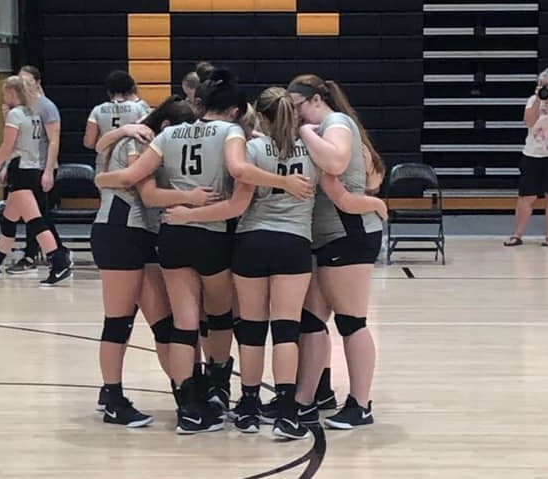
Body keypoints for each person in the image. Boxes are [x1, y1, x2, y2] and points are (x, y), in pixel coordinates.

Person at [94, 69, 313, 434]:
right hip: (213, 233)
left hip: (174, 232)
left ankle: (188, 411)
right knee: (221, 317)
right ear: (233, 109)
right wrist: (283, 181)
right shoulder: (231, 132)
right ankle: (217, 389)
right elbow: (239, 169)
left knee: (184, 323)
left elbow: (136, 179)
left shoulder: (169, 133)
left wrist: (101, 179)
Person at [164, 86, 387, 439]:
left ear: (261, 118)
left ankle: (249, 407)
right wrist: (375, 204)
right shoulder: (313, 152)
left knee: (251, 331)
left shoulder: (251, 149)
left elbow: (236, 205)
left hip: (251, 243)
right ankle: (287, 412)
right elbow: (343, 195)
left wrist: (188, 215)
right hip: (296, 245)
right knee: (286, 331)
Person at [92, 95, 206, 427]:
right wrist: (189, 197)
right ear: (167, 126)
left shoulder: (149, 139)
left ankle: (187, 396)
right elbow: (138, 186)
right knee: (119, 320)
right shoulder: (139, 140)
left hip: (144, 234)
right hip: (118, 231)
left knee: (165, 324)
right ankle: (112, 397)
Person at [287, 74, 386, 430]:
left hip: (349, 233)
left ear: (315, 99)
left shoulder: (334, 122)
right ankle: (306, 399)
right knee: (311, 322)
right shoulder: (322, 126)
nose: (295, 117)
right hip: (323, 236)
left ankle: (361, 404)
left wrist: (305, 132)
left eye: (297, 108)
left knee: (351, 322)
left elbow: (337, 161)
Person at [0, 76, 72, 286]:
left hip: (21, 171)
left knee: (35, 221)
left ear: (12, 93)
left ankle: (59, 261)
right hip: (31, 168)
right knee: (9, 219)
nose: (3, 96)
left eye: (5, 92)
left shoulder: (16, 114)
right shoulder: (33, 111)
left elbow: (7, 147)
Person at [5, 65, 67, 275]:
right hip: (24, 167)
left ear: (37, 83)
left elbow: (53, 141)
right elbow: (13, 143)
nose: (22, 84)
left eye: (27, 81)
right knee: (30, 214)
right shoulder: (21, 109)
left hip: (41, 166)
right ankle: (48, 253)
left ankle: (51, 254)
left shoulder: (46, 107)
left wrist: (48, 170)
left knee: (37, 215)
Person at [504, 67, 548, 248]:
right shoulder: (531, 101)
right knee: (526, 195)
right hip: (533, 153)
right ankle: (517, 235)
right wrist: (538, 99)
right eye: (542, 85)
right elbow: (529, 121)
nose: (545, 89)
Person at [84, 70, 151, 172]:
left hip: (105, 166)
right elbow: (148, 138)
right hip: (131, 164)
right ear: (130, 88)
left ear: (108, 90)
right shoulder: (139, 108)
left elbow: (89, 143)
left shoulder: (97, 110)